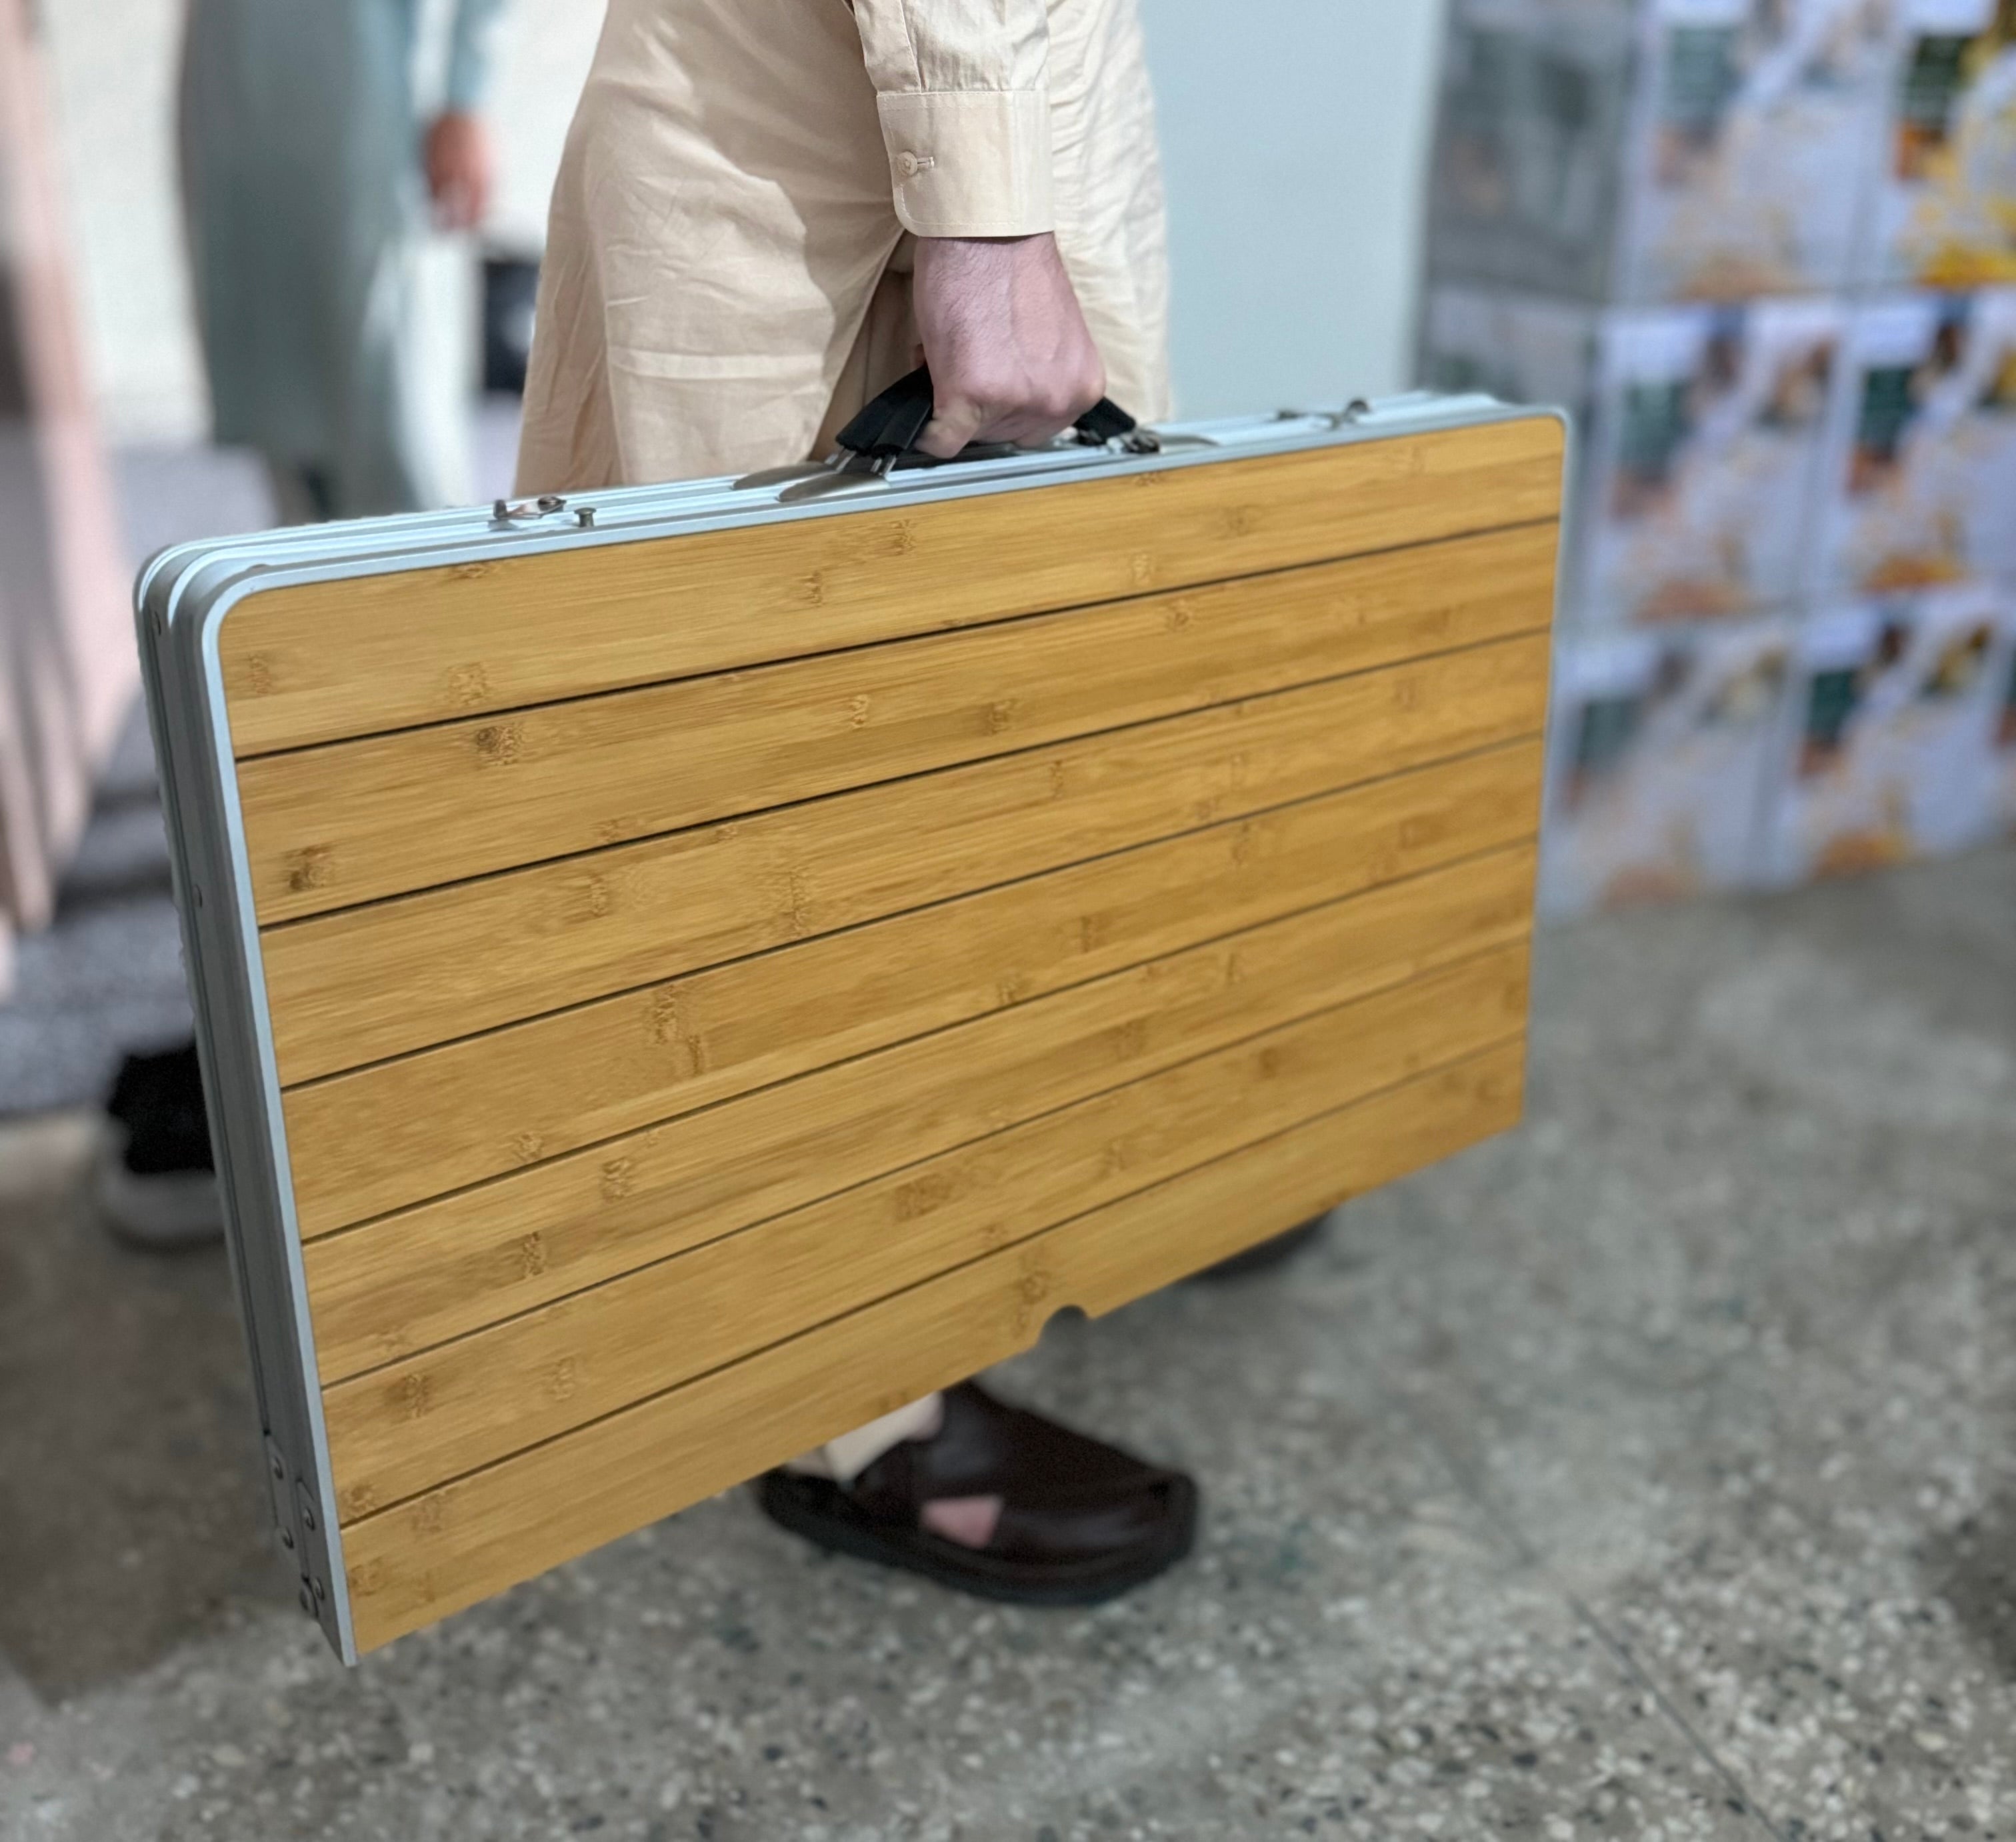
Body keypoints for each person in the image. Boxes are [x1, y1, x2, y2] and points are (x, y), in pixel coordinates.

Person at [516, 0, 1324, 1606]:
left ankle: (1038, 1212)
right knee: (788, 828)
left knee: (1028, 761)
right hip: (830, 158)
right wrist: (983, 206)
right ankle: (844, 1406)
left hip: (1022, 94)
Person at [97, 0, 511, 1247]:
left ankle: (455, 925)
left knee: (400, 491)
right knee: (288, 503)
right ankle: (311, 982)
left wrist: (466, 90)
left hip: (356, 83)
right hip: (234, 84)